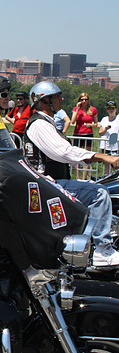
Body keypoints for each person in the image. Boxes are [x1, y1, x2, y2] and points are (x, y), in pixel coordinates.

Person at [23, 81, 119, 267]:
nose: (62, 99)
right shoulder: (39, 124)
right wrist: (104, 157)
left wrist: (94, 157)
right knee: (99, 193)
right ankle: (102, 250)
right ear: (45, 101)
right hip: (47, 185)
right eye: (57, 96)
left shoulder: (46, 123)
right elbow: (64, 152)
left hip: (49, 184)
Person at [72, 92, 98, 178]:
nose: (84, 101)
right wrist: (77, 109)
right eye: (82, 99)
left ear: (88, 100)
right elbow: (73, 121)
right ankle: (78, 177)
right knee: (77, 156)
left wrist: (90, 125)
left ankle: (84, 177)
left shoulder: (93, 109)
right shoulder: (76, 109)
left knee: (87, 156)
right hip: (78, 134)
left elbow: (96, 124)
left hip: (88, 134)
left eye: (86, 99)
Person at [99, 100, 119, 175]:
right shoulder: (104, 119)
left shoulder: (118, 118)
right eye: (109, 108)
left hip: (115, 146)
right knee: (106, 164)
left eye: (112, 108)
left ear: (116, 109)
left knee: (116, 164)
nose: (111, 110)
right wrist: (105, 129)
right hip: (105, 145)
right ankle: (107, 177)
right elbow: (100, 132)